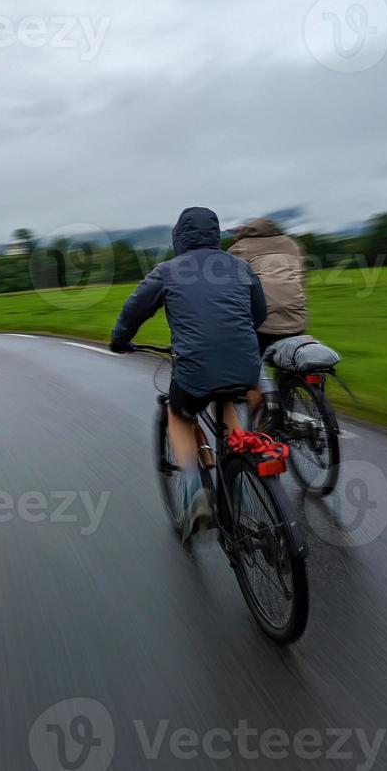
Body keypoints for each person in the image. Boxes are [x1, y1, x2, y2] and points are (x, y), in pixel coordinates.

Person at [110, 207, 267, 542]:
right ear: (216, 235)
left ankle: (195, 489)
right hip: (245, 365)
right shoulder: (241, 266)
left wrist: (119, 341)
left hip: (196, 368)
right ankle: (237, 479)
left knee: (179, 412)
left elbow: (133, 310)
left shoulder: (167, 271)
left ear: (178, 237)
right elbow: (259, 312)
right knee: (226, 399)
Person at [229, 218, 307, 422]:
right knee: (286, 368)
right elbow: (300, 278)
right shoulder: (292, 244)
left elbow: (229, 287)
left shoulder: (238, 249)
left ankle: (265, 403)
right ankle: (285, 412)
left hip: (261, 322)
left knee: (250, 353)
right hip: (296, 318)